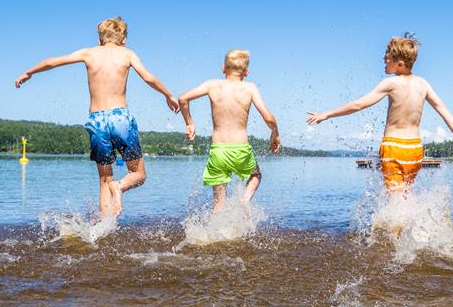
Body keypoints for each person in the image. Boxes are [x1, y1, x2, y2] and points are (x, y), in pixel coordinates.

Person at [15, 16, 179, 219]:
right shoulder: (127, 54)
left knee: (104, 178)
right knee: (138, 174)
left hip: (97, 120)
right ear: (124, 39)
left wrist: (29, 72)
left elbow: (52, 62)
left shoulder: (89, 53)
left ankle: (104, 227)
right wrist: (168, 95)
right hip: (121, 118)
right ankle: (120, 187)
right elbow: (148, 77)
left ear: (100, 39)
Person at [307, 34, 453, 192]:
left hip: (394, 148)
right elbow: (442, 108)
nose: (383, 58)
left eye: (387, 55)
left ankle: (405, 227)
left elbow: (359, 104)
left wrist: (327, 114)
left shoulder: (390, 83)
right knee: (404, 194)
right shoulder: (423, 84)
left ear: (400, 63)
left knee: (395, 200)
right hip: (415, 149)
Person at [178, 49, 280, 211]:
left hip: (218, 150)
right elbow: (268, 118)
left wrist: (189, 123)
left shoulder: (212, 85)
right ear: (246, 72)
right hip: (241, 149)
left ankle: (217, 234)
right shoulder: (250, 88)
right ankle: (244, 201)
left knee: (219, 202)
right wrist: (275, 135)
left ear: (223, 68)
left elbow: (183, 98)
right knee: (256, 175)